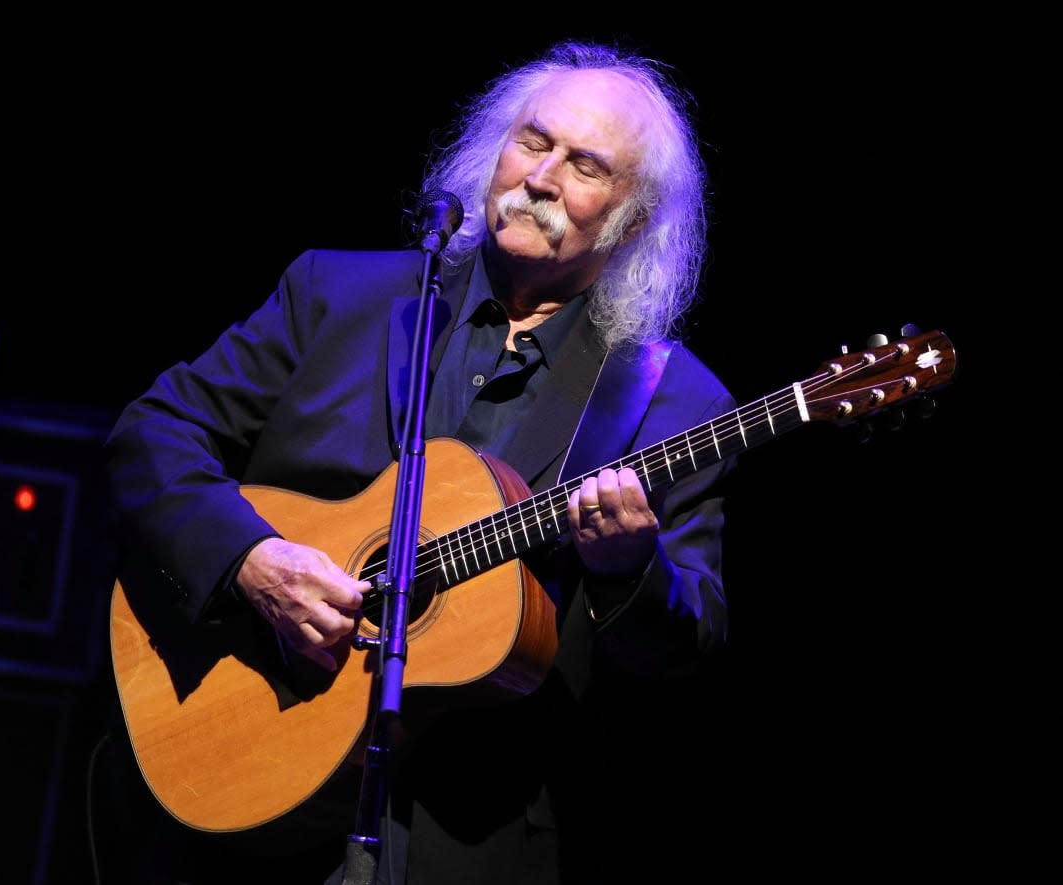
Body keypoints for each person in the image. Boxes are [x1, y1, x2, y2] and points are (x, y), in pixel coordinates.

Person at [96, 38, 738, 885]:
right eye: (533, 142)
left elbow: (689, 648)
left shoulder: (672, 402)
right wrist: (252, 561)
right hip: (247, 790)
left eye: (585, 166)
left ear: (636, 217)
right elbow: (152, 434)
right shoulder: (339, 295)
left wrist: (629, 571)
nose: (540, 179)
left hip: (474, 842)